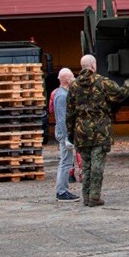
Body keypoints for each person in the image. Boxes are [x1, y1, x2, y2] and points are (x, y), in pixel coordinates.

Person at [65, 54, 129, 207]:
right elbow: (121, 94)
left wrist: (70, 133)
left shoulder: (74, 86)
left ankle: (86, 196)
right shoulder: (102, 82)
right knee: (97, 165)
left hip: (82, 132)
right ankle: (94, 197)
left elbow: (69, 113)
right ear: (93, 66)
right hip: (100, 131)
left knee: (86, 165)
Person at [52, 68, 80, 202]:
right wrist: (66, 138)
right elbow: (62, 118)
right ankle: (62, 191)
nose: (74, 79)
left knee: (66, 162)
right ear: (68, 80)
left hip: (64, 133)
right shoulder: (62, 96)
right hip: (64, 134)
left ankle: (62, 190)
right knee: (65, 162)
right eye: (73, 77)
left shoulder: (63, 94)